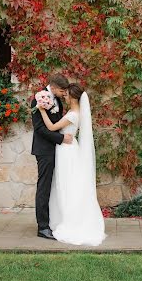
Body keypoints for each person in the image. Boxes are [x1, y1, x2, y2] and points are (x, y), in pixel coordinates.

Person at [37, 83, 106, 247]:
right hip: (66, 148)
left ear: (74, 97)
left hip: (67, 151)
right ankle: (62, 217)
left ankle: (71, 220)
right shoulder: (73, 112)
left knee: (67, 186)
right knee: (65, 185)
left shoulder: (73, 114)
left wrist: (41, 111)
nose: (64, 97)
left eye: (66, 94)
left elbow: (52, 127)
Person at [31, 73, 73, 240]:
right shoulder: (38, 99)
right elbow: (39, 128)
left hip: (57, 149)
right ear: (53, 87)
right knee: (44, 186)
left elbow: (56, 123)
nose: (64, 94)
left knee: (56, 186)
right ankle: (42, 227)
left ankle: (53, 221)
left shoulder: (57, 100)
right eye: (62, 90)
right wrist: (61, 138)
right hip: (44, 150)